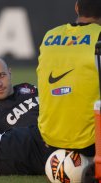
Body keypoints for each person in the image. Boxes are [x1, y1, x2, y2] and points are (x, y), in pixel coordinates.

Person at [36, 0, 101, 157]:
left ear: (77, 7)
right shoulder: (98, 36)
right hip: (91, 144)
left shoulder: (50, 35)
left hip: (50, 141)